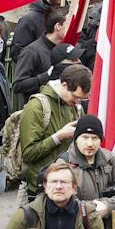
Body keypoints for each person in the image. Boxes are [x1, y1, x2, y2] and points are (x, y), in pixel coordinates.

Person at [18, 64, 90, 197]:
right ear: (64, 85)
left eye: (82, 99)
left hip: (70, 186)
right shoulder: (36, 107)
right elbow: (28, 153)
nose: (78, 102)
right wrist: (59, 136)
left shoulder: (75, 106)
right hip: (42, 188)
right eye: (75, 97)